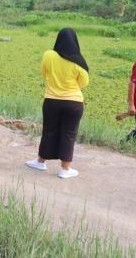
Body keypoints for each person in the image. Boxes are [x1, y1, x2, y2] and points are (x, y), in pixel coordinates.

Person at [26, 28, 89, 179]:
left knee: (49, 130)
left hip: (51, 101)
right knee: (69, 134)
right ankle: (65, 169)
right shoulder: (79, 61)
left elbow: (43, 72)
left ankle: (41, 162)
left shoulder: (49, 55)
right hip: (74, 102)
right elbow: (84, 83)